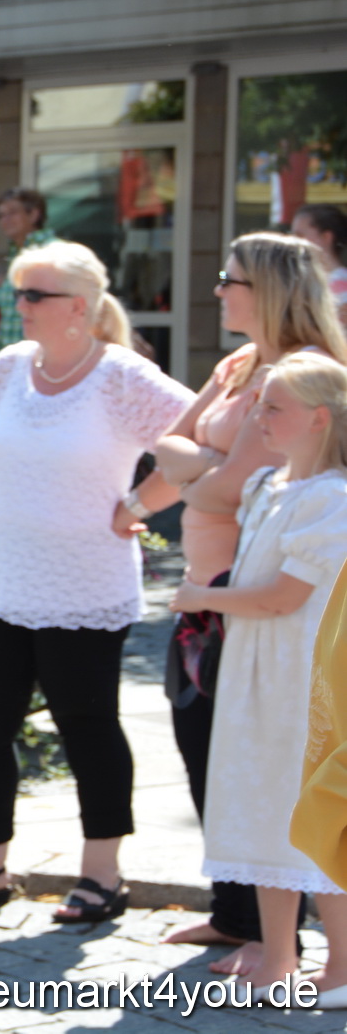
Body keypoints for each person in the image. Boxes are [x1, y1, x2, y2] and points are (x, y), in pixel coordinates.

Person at [0, 241, 193, 921]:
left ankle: (102, 876)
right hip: (5, 579)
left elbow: (205, 439)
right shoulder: (16, 365)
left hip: (86, 585)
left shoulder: (120, 375)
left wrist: (140, 503)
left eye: (33, 296)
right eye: (17, 293)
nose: (19, 307)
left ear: (78, 307)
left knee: (86, 723)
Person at [154, 231, 347, 970]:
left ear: (266, 286)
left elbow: (217, 484)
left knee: (277, 779)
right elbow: (172, 450)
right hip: (219, 604)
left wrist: (202, 473)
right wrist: (204, 471)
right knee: (220, 761)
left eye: (229, 278)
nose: (218, 290)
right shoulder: (240, 366)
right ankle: (247, 925)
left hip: (262, 613)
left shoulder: (305, 379)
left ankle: (291, 944)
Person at [0, 188, 58, 346]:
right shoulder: (16, 255)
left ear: (34, 215)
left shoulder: (54, 253)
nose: (5, 220)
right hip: (15, 361)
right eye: (1, 215)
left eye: (13, 212)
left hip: (44, 360)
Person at [293, 203, 347, 313]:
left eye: (300, 236)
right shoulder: (307, 280)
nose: (293, 241)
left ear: (326, 237)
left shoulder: (340, 282)